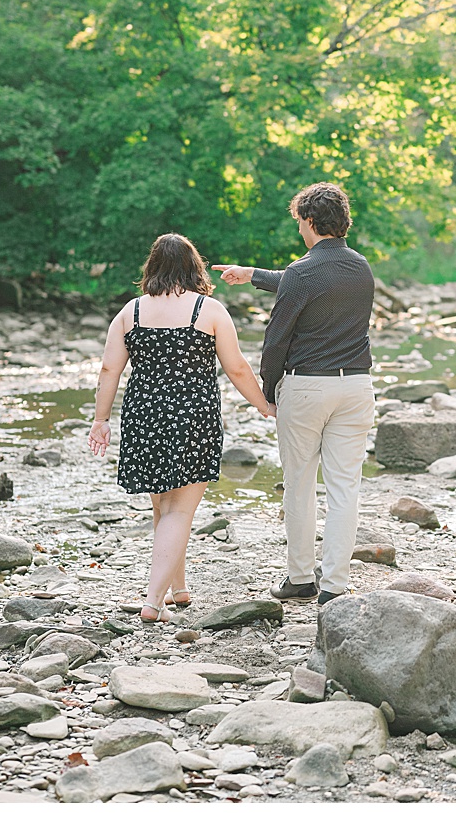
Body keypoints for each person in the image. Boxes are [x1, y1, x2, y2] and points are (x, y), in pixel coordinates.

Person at [88, 234, 273, 623]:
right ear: (195, 267)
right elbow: (236, 366)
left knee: (164, 508)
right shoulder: (209, 310)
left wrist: (101, 420)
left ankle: (179, 588)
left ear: (151, 268)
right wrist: (264, 405)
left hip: (144, 417)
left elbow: (109, 369)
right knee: (179, 511)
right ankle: (153, 602)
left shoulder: (130, 312)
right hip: (193, 417)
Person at [213, 182, 376, 605]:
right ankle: (335, 587)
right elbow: (307, 282)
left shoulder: (303, 272)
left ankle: (301, 578)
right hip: (356, 387)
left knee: (300, 485)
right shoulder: (360, 267)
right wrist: (253, 275)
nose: (299, 231)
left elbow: (276, 340)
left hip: (306, 387)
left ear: (309, 221)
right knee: (345, 488)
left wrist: (268, 393)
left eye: (299, 223)